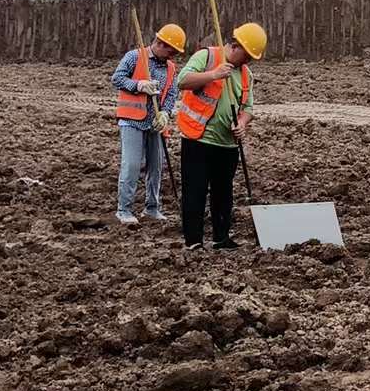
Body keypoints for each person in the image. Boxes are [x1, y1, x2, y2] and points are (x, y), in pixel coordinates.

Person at [175, 23, 266, 249]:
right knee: (194, 191)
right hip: (198, 139)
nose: (249, 61)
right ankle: (193, 241)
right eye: (248, 55)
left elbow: (248, 108)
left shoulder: (246, 74)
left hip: (227, 145)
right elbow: (183, 81)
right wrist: (213, 74)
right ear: (236, 46)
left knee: (223, 193)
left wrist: (242, 124)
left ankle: (221, 238)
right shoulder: (206, 57)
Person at [111, 24, 186, 226]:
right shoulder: (135, 57)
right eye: (171, 51)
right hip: (131, 121)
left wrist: (165, 113)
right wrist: (138, 85)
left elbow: (171, 93)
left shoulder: (170, 67)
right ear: (161, 44)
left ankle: (152, 208)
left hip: (155, 124)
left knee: (156, 166)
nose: (173, 56)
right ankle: (124, 209)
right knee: (132, 165)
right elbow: (116, 78)